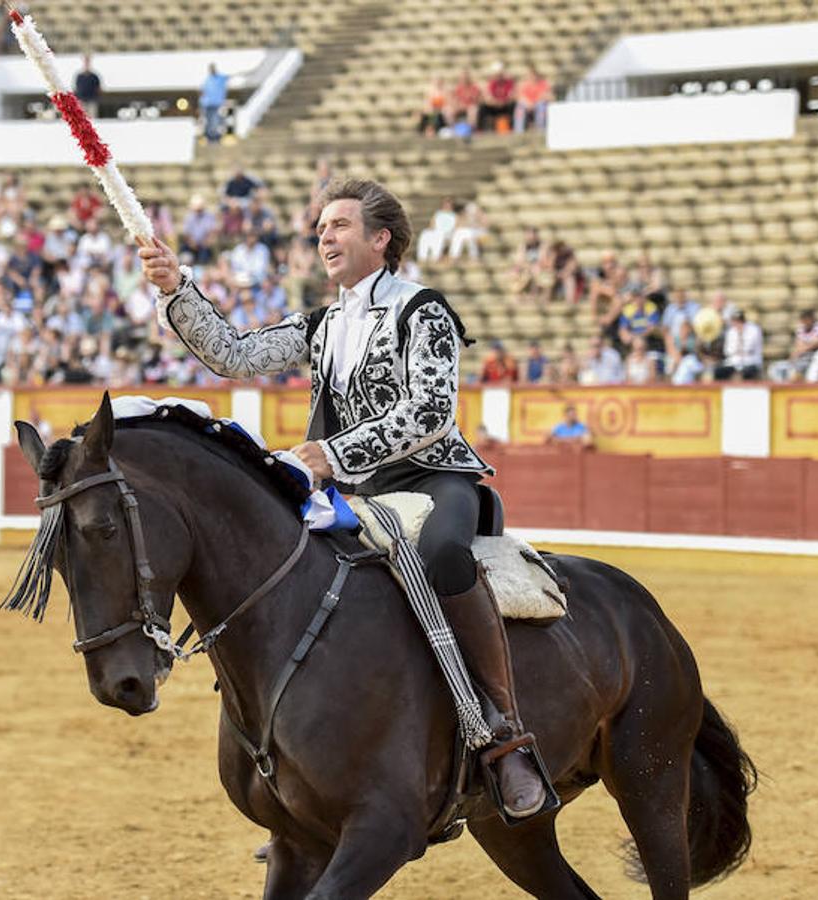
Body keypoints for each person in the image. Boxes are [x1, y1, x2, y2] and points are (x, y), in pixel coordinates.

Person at [139, 176, 548, 819]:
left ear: (381, 239)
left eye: (340, 225)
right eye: (321, 226)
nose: (324, 235)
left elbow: (432, 412)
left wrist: (333, 453)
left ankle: (503, 732)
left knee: (444, 558)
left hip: (432, 480)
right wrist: (176, 289)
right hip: (355, 492)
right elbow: (235, 355)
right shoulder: (324, 323)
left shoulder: (423, 309)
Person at [714, 309, 763, 381]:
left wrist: (740, 350)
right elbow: (727, 351)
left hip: (750, 361)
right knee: (719, 372)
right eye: (735, 322)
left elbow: (750, 348)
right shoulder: (731, 332)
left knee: (748, 373)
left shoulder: (754, 330)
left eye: (739, 321)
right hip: (734, 361)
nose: (737, 324)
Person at [199, 63, 229, 142]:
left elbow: (229, 77)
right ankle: (209, 136)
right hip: (208, 104)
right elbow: (203, 92)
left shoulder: (220, 78)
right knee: (209, 121)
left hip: (216, 104)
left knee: (216, 120)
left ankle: (215, 136)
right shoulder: (207, 80)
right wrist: (202, 103)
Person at [73, 53, 102, 118]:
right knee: (82, 117)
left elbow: (99, 88)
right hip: (82, 100)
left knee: (92, 117)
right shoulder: (79, 76)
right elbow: (76, 88)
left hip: (92, 100)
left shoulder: (94, 76)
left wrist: (95, 96)